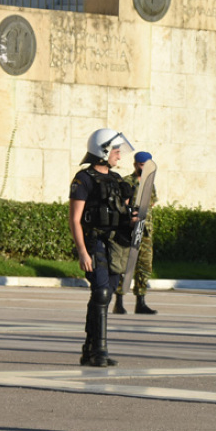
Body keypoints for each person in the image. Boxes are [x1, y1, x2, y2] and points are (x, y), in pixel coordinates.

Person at [68, 128, 135, 367]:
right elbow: (74, 219)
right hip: (94, 241)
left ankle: (89, 349)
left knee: (103, 298)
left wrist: (135, 220)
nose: (120, 155)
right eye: (116, 150)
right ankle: (99, 350)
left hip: (116, 244)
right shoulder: (83, 179)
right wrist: (82, 252)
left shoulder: (118, 180)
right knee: (101, 292)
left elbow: (124, 213)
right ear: (103, 150)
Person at [113, 151, 158, 315]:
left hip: (145, 231)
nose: (144, 168)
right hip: (130, 230)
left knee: (144, 266)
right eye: (141, 165)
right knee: (125, 265)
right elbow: (122, 205)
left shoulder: (150, 183)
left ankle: (141, 302)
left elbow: (151, 205)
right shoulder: (127, 182)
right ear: (135, 165)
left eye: (147, 165)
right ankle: (119, 302)